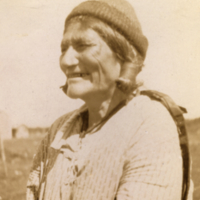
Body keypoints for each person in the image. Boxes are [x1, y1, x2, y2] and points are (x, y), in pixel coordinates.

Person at [26, 0, 193, 199]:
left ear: (124, 55)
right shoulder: (58, 130)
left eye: (84, 45)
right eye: (64, 49)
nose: (66, 61)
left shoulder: (150, 125)